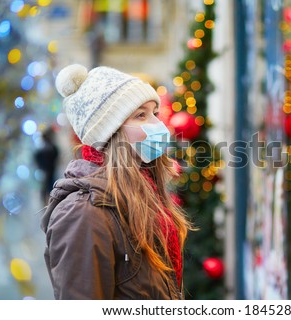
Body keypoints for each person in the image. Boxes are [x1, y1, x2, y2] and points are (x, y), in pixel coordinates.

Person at [41, 64, 191, 299]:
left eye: (154, 113)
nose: (158, 125)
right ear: (109, 132)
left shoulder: (143, 191)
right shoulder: (83, 213)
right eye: (141, 115)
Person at [34, 127, 59, 205]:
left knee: (47, 188)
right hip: (47, 171)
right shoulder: (49, 148)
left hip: (47, 171)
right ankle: (50, 204)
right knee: (49, 188)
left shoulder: (45, 148)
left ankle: (49, 204)